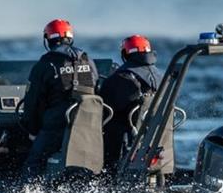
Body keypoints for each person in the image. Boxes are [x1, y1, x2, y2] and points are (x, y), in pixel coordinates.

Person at [20, 19, 98, 180]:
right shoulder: (87, 60)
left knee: (33, 163)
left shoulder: (45, 64)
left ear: (48, 39)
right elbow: (96, 87)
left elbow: (33, 103)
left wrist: (32, 130)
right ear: (70, 38)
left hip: (56, 126)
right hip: (87, 127)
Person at [98, 35, 172, 175]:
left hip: (127, 146)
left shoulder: (121, 78)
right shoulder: (164, 77)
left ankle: (106, 179)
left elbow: (103, 107)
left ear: (125, 54)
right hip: (158, 143)